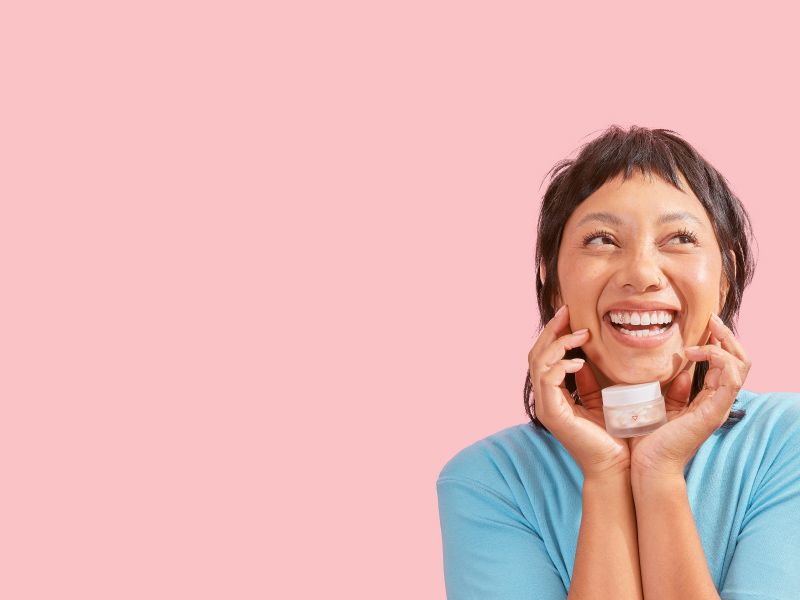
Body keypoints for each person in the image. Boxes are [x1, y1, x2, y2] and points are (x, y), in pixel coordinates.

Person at [436, 125, 800, 599]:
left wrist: (659, 473)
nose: (641, 274)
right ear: (553, 282)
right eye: (602, 240)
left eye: (680, 238)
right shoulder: (488, 482)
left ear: (725, 279)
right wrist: (606, 476)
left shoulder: (785, 445)